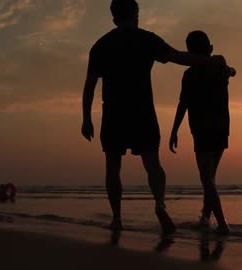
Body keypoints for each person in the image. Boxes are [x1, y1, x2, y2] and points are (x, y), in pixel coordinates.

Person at [81, 0, 232, 235]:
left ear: (114, 18)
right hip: (143, 111)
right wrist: (209, 59)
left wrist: (86, 118)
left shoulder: (101, 45)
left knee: (113, 166)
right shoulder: (147, 39)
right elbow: (177, 57)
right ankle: (160, 204)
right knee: (153, 165)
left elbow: (89, 85)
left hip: (114, 113)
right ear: (137, 15)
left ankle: (117, 219)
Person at [169, 31, 234, 235]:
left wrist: (174, 130)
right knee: (210, 179)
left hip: (202, 129)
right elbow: (231, 71)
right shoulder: (219, 65)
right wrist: (230, 70)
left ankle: (222, 225)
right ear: (210, 47)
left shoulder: (190, 74)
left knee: (207, 180)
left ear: (189, 52)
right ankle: (205, 219)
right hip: (221, 128)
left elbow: (183, 104)